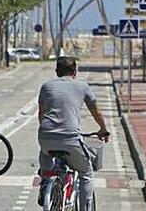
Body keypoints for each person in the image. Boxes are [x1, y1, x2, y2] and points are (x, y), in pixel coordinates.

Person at [37, 57, 110, 211]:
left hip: (45, 136)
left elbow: (41, 113)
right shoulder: (82, 86)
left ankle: (45, 180)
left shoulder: (46, 86)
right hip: (70, 138)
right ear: (75, 72)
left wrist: (48, 130)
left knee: (45, 155)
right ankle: (85, 208)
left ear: (56, 71)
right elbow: (96, 111)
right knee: (86, 172)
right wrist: (103, 129)